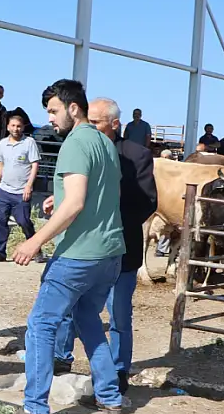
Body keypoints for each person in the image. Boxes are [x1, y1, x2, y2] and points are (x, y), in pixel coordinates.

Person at [0, 79, 125, 414]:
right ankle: (110, 395)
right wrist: (60, 199)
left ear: (72, 108)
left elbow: (78, 202)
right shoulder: (105, 143)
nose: (50, 119)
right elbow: (91, 194)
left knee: (41, 325)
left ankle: (35, 409)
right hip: (110, 253)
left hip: (79, 255)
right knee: (87, 318)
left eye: (53, 111)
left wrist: (34, 241)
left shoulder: (75, 143)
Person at [54, 97, 157, 395]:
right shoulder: (83, 147)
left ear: (114, 124)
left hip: (121, 249)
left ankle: (119, 369)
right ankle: (62, 356)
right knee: (73, 304)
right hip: (85, 247)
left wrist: (109, 220)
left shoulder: (135, 155)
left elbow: (148, 202)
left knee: (119, 314)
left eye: (97, 121)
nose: (91, 126)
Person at [0, 107, 45, 264]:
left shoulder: (29, 143)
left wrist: (29, 186)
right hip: (4, 190)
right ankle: (0, 252)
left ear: (23, 127)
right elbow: (0, 165)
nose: (16, 129)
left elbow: (35, 165)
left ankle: (36, 249)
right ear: (8, 127)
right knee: (1, 220)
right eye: (13, 126)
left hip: (21, 191)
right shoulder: (3, 143)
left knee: (23, 221)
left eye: (18, 126)